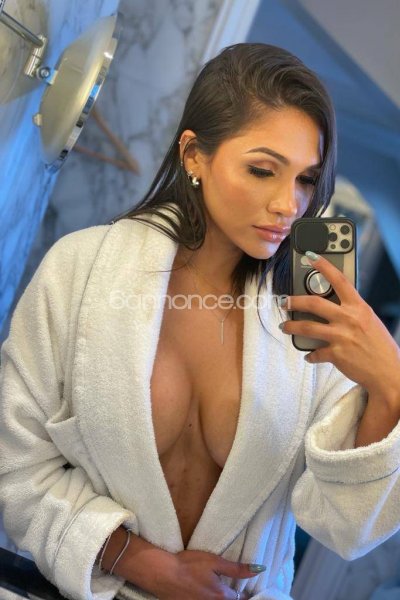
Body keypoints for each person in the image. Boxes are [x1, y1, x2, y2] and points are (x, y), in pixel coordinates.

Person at [1, 42, 400, 600]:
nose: (289, 205)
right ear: (193, 154)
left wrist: (390, 384)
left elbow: (344, 527)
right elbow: (14, 466)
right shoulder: (81, 272)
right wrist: (138, 561)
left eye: (307, 180)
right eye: (263, 170)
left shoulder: (312, 322)